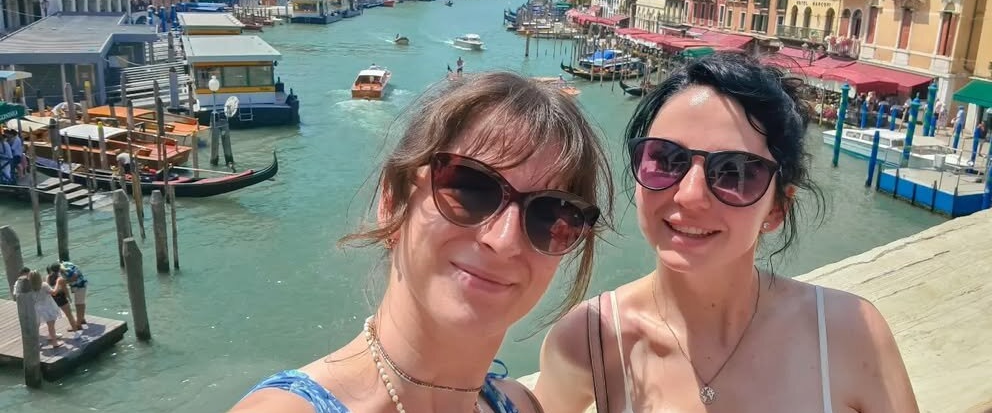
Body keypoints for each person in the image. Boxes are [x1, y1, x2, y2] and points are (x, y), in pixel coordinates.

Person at [535, 54, 918, 413]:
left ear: (777, 209)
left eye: (735, 172)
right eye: (665, 159)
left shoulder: (850, 334)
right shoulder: (589, 340)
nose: (689, 195)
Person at [231, 72, 614, 413]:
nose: (504, 240)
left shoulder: (522, 404)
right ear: (392, 203)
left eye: (551, 214)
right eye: (469, 188)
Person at [27, 270, 64, 349]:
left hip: (36, 308)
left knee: (36, 326)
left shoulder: (29, 288)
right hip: (48, 306)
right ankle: (55, 343)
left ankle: (37, 343)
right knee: (51, 325)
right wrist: (58, 282)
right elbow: (54, 292)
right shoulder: (44, 285)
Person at [48, 263, 80, 331]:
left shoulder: (48, 277)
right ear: (59, 269)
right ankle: (75, 329)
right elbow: (65, 290)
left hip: (53, 299)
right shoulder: (60, 279)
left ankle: (52, 332)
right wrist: (69, 298)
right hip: (61, 298)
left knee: (53, 317)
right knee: (69, 315)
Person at [57, 261, 88, 326]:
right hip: (82, 284)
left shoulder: (66, 270)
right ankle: (82, 319)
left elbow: (74, 277)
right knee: (81, 303)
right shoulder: (66, 264)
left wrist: (64, 282)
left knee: (78, 305)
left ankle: (78, 324)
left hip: (79, 286)